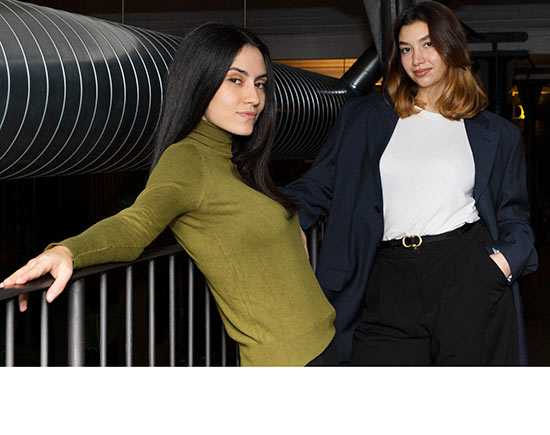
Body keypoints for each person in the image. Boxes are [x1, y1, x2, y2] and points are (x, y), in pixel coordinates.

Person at [0, 23, 337, 367]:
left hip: (323, 340)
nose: (254, 97)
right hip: (289, 361)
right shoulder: (187, 159)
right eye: (236, 80)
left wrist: (288, 226)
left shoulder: (234, 160)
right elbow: (134, 226)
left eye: (260, 83)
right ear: (199, 82)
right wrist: (68, 251)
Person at [285, 2, 537, 365]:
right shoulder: (364, 117)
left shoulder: (496, 134)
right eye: (405, 49)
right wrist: (285, 219)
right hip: (387, 273)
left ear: (452, 47)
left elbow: (513, 216)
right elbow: (319, 184)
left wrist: (501, 264)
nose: (416, 59)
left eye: (428, 44)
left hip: (465, 270)